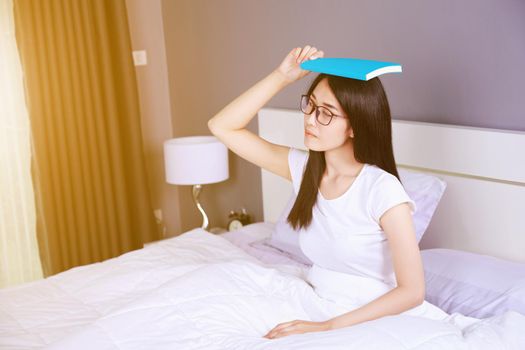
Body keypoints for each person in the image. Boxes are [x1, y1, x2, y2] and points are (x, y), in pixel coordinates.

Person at [207, 45, 449, 340]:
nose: (310, 119)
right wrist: (282, 77)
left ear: (355, 127)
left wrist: (327, 327)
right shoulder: (304, 168)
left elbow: (412, 292)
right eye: (310, 105)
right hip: (318, 301)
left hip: (371, 316)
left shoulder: (381, 189)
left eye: (326, 113)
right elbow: (222, 127)